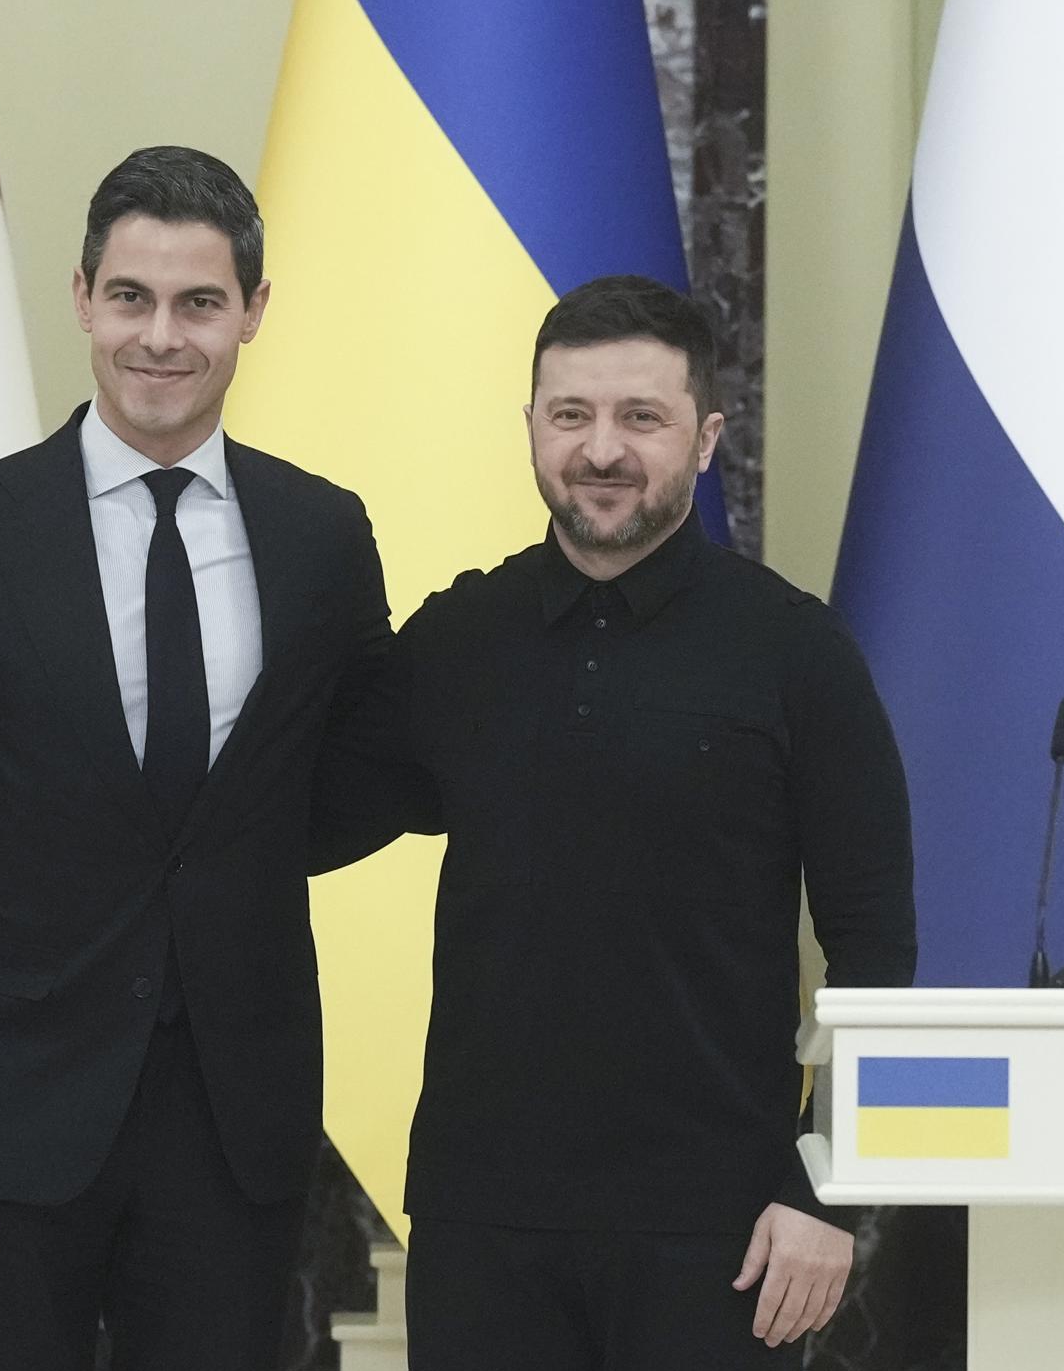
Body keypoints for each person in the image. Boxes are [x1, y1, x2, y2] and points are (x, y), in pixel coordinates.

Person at [0, 145, 389, 1370]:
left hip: (234, 1127)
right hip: (1, 1134)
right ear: (82, 296)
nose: (162, 337)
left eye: (200, 302)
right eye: (131, 297)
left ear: (252, 311)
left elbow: (352, 775)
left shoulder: (323, 535)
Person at [327, 275, 917, 1369]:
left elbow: (875, 948)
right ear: (532, 428)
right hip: (479, 1222)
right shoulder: (459, 640)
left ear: (705, 437)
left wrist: (827, 1183)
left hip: (727, 1229)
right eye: (572, 415)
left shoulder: (798, 655)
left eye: (641, 417)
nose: (602, 449)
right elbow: (295, 820)